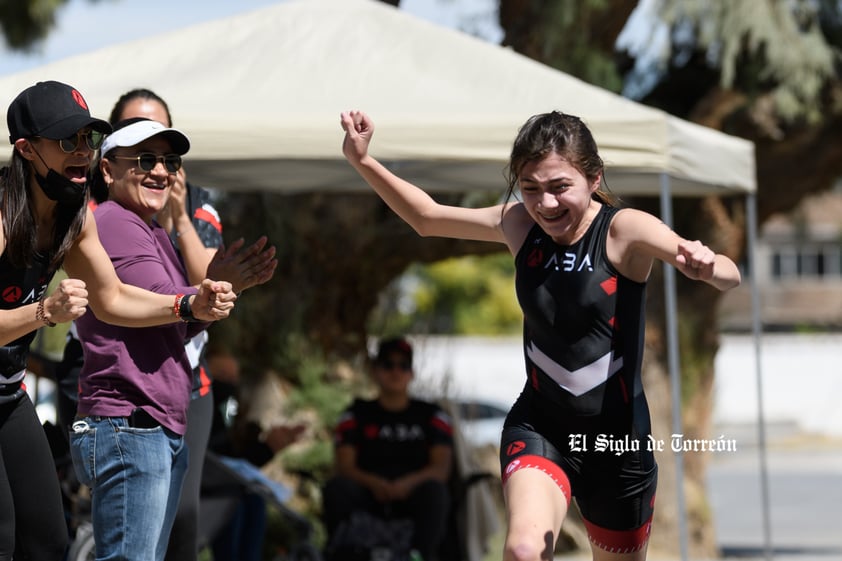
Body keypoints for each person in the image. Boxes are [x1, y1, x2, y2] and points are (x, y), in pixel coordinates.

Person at [339, 110, 742, 561]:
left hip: (618, 444)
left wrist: (708, 267)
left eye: (559, 187)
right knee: (524, 550)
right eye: (530, 188)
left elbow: (729, 273)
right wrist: (363, 162)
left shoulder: (623, 230)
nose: (545, 204)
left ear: (593, 177)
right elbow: (427, 217)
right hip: (541, 426)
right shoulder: (519, 225)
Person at [0, 80, 234, 561]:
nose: (82, 152)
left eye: (88, 139)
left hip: (7, 391)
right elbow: (56, 311)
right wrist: (43, 312)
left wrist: (188, 306)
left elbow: (113, 298)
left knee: (47, 541)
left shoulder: (74, 218)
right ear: (25, 149)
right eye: (68, 142)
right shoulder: (3, 215)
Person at [109, 88, 277, 561]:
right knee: (130, 519)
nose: (156, 166)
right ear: (110, 155)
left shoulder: (195, 202)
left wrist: (180, 217)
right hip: (115, 380)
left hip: (185, 381)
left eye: (167, 152)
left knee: (182, 516)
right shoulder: (100, 207)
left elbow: (210, 285)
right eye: (141, 149)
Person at [67, 117, 239, 561]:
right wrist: (200, 299)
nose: (162, 171)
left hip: (147, 424)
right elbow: (167, 302)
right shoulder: (117, 223)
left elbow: (171, 322)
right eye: (146, 159)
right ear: (107, 170)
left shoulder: (149, 227)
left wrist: (213, 294)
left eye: (170, 161)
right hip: (132, 423)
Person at [322, 336, 454, 561]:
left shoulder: (432, 415)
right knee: (336, 489)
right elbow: (344, 466)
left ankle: (423, 556)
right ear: (375, 371)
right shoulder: (356, 414)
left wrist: (407, 484)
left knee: (436, 493)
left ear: (411, 373)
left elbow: (441, 468)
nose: (396, 372)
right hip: (368, 493)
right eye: (388, 365)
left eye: (403, 365)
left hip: (413, 494)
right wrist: (375, 483)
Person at [204, 345, 306, 561]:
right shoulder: (197, 403)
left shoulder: (238, 420)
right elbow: (211, 452)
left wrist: (269, 447)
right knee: (233, 502)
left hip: (220, 482)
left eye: (234, 380)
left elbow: (233, 460)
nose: (229, 387)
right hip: (199, 484)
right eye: (221, 376)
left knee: (254, 497)